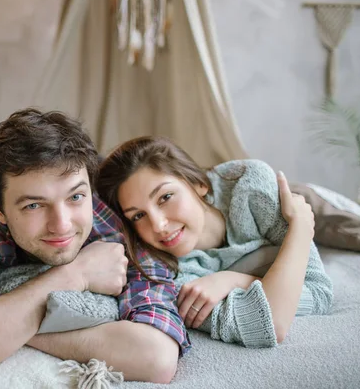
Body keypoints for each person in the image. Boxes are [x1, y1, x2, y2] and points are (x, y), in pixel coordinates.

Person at [0, 110, 190, 383]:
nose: (61, 225)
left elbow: (157, 358)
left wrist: (9, 332)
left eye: (75, 196)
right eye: (34, 205)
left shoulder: (115, 207)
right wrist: (76, 274)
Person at [96, 136, 333, 348]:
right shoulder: (167, 274)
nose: (158, 225)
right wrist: (300, 228)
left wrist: (233, 280)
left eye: (165, 197)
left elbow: (319, 292)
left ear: (199, 184)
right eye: (138, 215)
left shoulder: (249, 185)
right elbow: (268, 323)